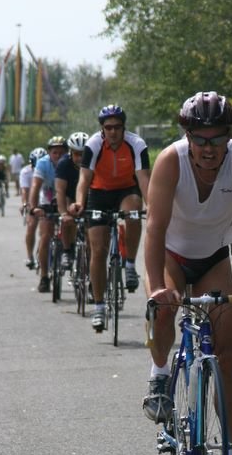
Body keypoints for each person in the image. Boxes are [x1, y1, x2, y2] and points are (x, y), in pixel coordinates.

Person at [142, 91, 232, 455]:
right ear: (188, 137)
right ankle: (160, 377)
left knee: (226, 354)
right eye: (201, 139)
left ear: (228, 137)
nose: (209, 149)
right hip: (172, 257)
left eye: (218, 139)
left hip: (213, 257)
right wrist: (156, 289)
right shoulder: (169, 160)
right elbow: (155, 229)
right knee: (164, 313)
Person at [69, 105, 150, 332]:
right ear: (102, 129)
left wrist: (151, 204)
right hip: (99, 193)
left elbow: (143, 178)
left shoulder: (137, 144)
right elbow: (84, 179)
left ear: (124, 128)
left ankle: (131, 264)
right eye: (108, 128)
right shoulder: (93, 145)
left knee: (134, 212)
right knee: (98, 249)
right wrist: (79, 203)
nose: (113, 132)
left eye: (117, 127)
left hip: (126, 189)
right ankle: (99, 307)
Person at [29, 136, 67, 292]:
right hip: (47, 200)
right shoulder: (43, 163)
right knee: (45, 237)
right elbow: (35, 186)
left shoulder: (70, 163)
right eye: (54, 152)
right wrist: (33, 208)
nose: (58, 156)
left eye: (61, 152)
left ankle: (70, 254)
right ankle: (44, 276)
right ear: (49, 153)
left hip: (66, 198)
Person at [55, 132, 89, 270]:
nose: (80, 158)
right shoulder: (64, 164)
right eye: (77, 154)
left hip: (89, 196)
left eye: (83, 154)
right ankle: (67, 250)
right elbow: (60, 191)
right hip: (69, 195)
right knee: (67, 219)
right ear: (70, 152)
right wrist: (63, 214)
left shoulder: (95, 162)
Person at [21, 147, 46, 269]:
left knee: (45, 231)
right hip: (33, 200)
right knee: (31, 226)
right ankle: (30, 256)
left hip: (47, 199)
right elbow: (25, 191)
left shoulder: (50, 168)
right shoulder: (26, 172)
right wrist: (25, 204)